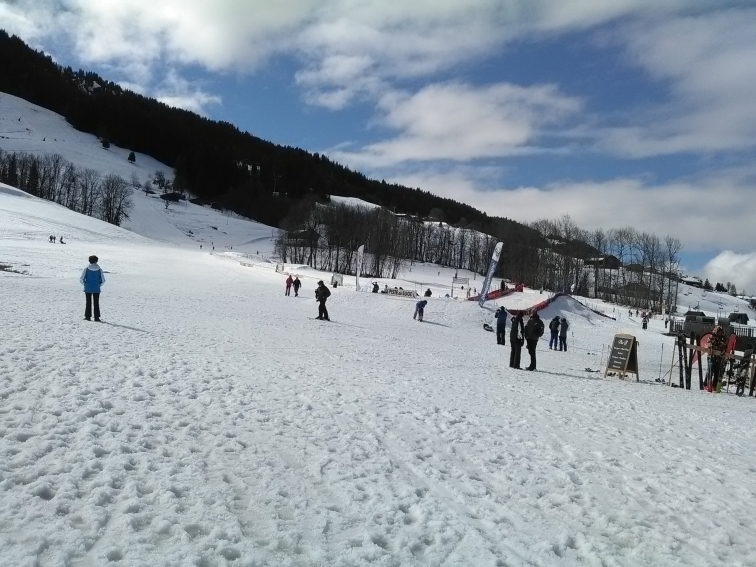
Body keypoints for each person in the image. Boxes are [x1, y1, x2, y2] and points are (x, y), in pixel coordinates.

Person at [80, 255, 105, 321]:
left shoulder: (86, 269)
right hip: (96, 288)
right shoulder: (99, 270)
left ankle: (87, 316)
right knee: (96, 302)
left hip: (88, 288)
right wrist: (98, 285)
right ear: (96, 261)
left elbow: (81, 279)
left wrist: (85, 284)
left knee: (88, 302)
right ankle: (96, 317)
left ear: (89, 261)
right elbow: (103, 280)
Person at [708, 325, 728, 391]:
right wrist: (711, 347)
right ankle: (707, 383)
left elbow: (725, 346)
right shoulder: (712, 337)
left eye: (721, 332)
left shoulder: (723, 339)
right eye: (719, 332)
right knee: (710, 371)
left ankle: (714, 385)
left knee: (717, 372)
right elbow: (709, 343)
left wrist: (723, 351)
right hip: (712, 356)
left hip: (719, 358)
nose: (720, 333)